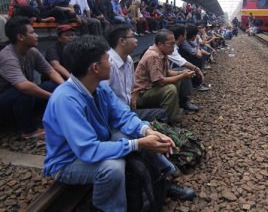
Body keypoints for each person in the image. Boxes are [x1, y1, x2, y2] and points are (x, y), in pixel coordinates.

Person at [43, 35, 195, 212]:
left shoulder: (99, 87)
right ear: (95, 68)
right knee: (113, 168)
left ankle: (163, 179)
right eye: (107, 59)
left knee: (140, 131)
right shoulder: (65, 100)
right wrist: (137, 144)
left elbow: (123, 116)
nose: (111, 62)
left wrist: (146, 131)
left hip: (96, 145)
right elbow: (88, 150)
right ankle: (105, 208)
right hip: (68, 161)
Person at [0, 17, 64, 138]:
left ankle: (48, 118)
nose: (36, 35)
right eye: (32, 32)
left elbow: (50, 70)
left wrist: (64, 88)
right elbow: (23, 86)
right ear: (20, 37)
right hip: (5, 103)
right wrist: (54, 97)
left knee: (53, 86)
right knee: (23, 92)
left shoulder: (32, 51)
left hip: (22, 100)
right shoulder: (7, 56)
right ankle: (29, 131)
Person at [132, 30, 198, 123]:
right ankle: (169, 121)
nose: (173, 47)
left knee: (179, 76)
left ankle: (179, 105)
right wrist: (182, 76)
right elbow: (160, 81)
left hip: (150, 88)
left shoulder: (162, 52)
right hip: (141, 94)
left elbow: (166, 72)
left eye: (174, 43)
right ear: (160, 44)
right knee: (170, 89)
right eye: (171, 44)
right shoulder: (153, 56)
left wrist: (182, 73)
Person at [106, 24, 168, 122]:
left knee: (159, 114)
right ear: (122, 41)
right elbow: (103, 99)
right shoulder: (108, 63)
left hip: (127, 110)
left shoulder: (129, 60)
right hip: (115, 116)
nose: (136, 40)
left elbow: (130, 89)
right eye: (133, 36)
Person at [168, 24, 209, 92]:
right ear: (181, 36)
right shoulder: (172, 47)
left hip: (168, 70)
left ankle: (196, 84)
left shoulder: (177, 45)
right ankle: (185, 99)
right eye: (185, 35)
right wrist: (197, 69)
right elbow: (183, 61)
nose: (186, 37)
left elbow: (198, 48)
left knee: (192, 63)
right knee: (186, 69)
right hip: (167, 72)